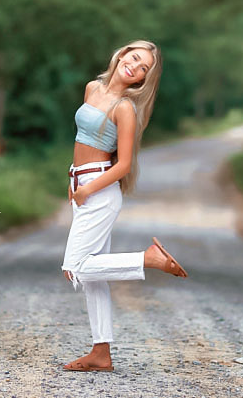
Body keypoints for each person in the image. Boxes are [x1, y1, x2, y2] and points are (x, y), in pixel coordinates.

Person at [61, 39, 188, 373]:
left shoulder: (125, 108)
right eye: (134, 58)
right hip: (82, 184)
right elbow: (81, 140)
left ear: (142, 79)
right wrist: (75, 182)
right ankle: (101, 352)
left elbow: (124, 165)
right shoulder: (93, 88)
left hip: (99, 191)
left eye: (143, 68)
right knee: (92, 278)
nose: (135, 67)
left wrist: (88, 187)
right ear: (121, 56)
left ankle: (147, 259)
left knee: (77, 266)